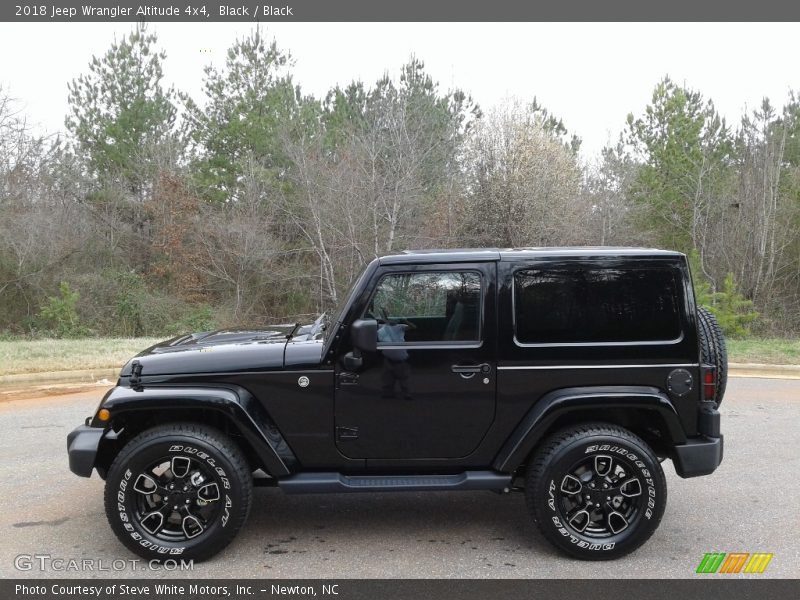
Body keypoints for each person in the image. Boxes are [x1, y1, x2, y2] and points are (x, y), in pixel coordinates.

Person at [377, 307, 415, 399]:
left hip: (401, 360)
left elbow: (413, 327)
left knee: (404, 378)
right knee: (387, 378)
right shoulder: (382, 327)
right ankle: (388, 393)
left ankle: (406, 393)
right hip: (388, 359)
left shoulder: (400, 327)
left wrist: (405, 320)